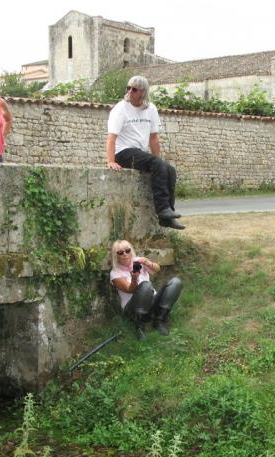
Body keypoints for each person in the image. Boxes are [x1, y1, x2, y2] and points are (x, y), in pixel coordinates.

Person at [106, 76, 185, 230]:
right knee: (156, 163)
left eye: (134, 89)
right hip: (123, 152)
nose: (129, 91)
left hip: (139, 151)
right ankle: (162, 209)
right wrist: (110, 160)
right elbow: (111, 138)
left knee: (169, 170)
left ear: (143, 92)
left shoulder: (151, 109)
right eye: (128, 88)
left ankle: (168, 216)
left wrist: (159, 163)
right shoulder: (120, 109)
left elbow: (154, 138)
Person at [110, 239, 183, 340]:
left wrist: (149, 263)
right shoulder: (115, 273)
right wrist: (134, 279)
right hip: (132, 309)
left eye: (127, 250)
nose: (125, 254)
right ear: (115, 256)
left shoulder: (138, 261)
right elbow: (129, 290)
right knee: (145, 285)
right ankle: (139, 326)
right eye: (120, 253)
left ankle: (159, 320)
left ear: (131, 250)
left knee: (175, 282)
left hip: (151, 302)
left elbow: (157, 269)